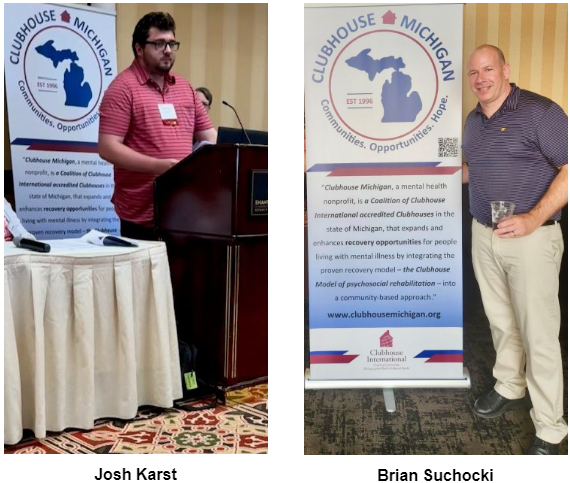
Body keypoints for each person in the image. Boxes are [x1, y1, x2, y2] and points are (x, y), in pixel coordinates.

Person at [462, 44, 568, 455]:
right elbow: (474, 170)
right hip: (484, 235)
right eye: (474, 73)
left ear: (506, 69)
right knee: (501, 320)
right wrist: (424, 171)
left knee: (539, 334)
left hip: (530, 238)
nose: (481, 78)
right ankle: (509, 384)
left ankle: (551, 427)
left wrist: (534, 218)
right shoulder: (473, 121)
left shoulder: (542, 112)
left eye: (488, 69)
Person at [98, 12, 217, 240]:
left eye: (172, 43)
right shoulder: (122, 88)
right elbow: (107, 147)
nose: (168, 50)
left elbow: (210, 137)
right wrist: (162, 166)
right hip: (141, 215)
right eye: (159, 44)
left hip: (184, 209)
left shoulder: (185, 88)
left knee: (181, 276)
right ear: (139, 48)